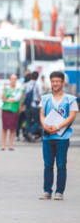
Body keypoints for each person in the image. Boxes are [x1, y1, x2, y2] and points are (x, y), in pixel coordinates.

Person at [39, 71, 78, 200]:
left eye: (57, 81)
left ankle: (59, 192)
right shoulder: (45, 98)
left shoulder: (70, 99)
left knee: (61, 164)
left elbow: (72, 115)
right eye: (53, 81)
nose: (55, 84)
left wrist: (57, 127)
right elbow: (42, 114)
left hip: (62, 137)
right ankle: (47, 191)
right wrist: (45, 126)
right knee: (48, 164)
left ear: (62, 83)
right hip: (47, 136)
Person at [1, 74, 24, 150]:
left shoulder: (18, 89)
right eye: (12, 79)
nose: (13, 80)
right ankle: (3, 145)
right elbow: (3, 99)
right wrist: (4, 91)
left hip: (14, 110)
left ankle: (11, 145)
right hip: (5, 110)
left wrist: (9, 100)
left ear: (16, 80)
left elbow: (18, 99)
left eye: (15, 79)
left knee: (13, 128)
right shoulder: (6, 89)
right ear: (10, 80)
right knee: (4, 128)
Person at [25, 71, 42, 141]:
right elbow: (40, 95)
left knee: (28, 121)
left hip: (27, 105)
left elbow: (24, 95)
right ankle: (31, 132)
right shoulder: (37, 84)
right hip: (35, 105)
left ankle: (26, 135)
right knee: (37, 121)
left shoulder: (26, 84)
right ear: (37, 77)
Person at [16, 72, 31, 141]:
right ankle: (24, 135)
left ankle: (17, 135)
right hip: (25, 106)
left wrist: (20, 105)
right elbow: (23, 96)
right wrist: (22, 105)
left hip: (21, 106)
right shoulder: (27, 86)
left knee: (19, 121)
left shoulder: (22, 85)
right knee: (24, 121)